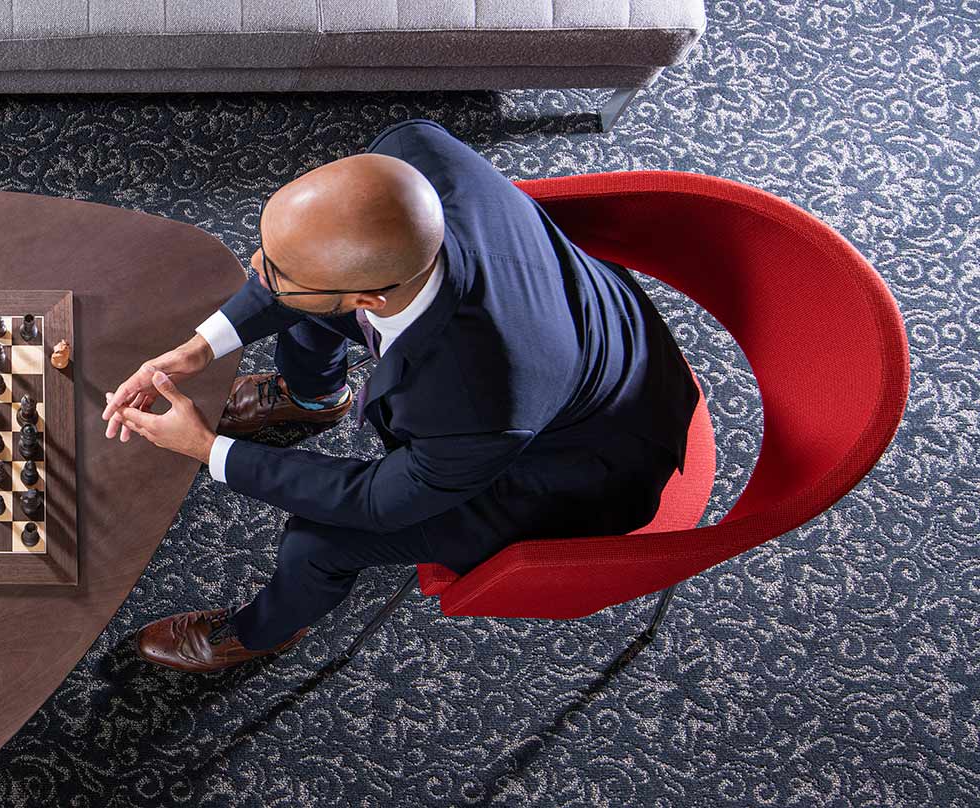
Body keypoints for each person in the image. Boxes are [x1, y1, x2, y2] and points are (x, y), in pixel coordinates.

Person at [103, 120, 698, 672]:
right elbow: (310, 266)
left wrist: (206, 449)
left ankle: (259, 632)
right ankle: (314, 397)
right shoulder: (413, 155)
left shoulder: (478, 398)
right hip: (584, 323)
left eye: (275, 270)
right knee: (308, 310)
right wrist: (200, 348)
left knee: (320, 539)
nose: (256, 267)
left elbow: (378, 501)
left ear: (372, 302)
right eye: (266, 245)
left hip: (573, 469)